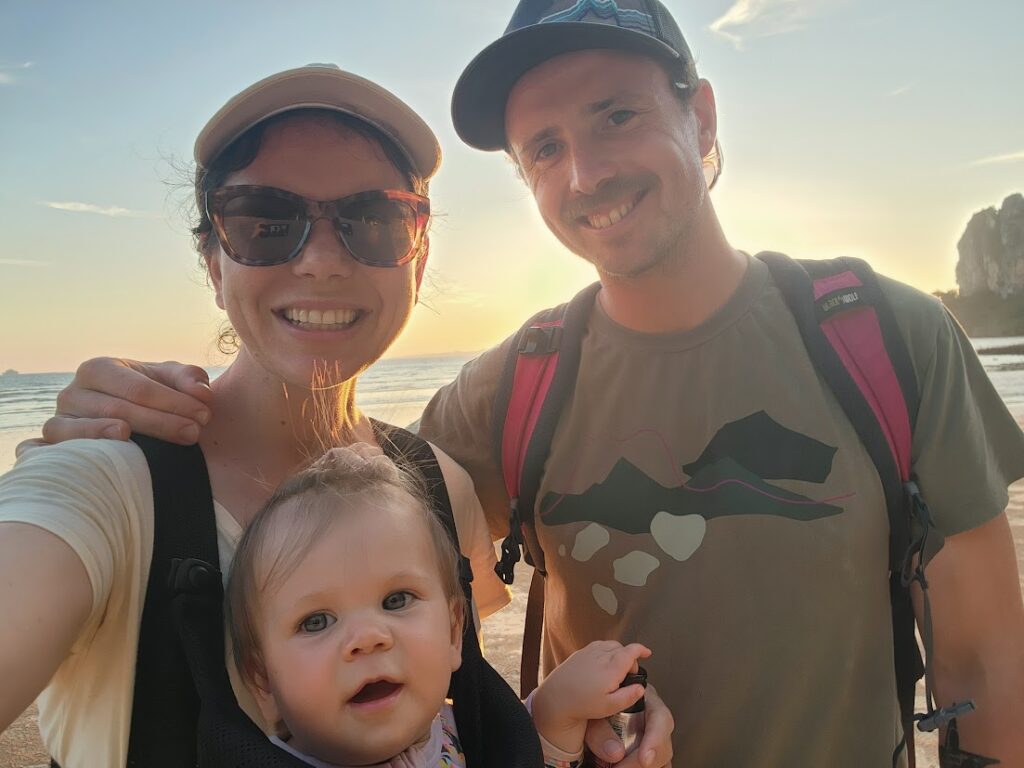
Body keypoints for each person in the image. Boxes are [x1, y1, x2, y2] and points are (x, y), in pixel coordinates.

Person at [23, 1, 1024, 766]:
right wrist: (105, 428)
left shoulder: (882, 336)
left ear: (700, 114)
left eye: (617, 115)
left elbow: (986, 659)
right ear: (213, 256)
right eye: (543, 147)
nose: (584, 172)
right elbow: (358, 538)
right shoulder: (501, 397)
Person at [0, 64, 517, 767]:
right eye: (267, 223)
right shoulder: (107, 484)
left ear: (417, 260)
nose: (323, 261)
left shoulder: (438, 487)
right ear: (215, 266)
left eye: (375, 220)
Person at [225, 443, 653, 768]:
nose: (368, 638)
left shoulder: (465, 731)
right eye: (316, 621)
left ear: (454, 632)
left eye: (396, 600)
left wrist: (552, 716)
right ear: (262, 679)